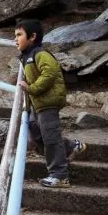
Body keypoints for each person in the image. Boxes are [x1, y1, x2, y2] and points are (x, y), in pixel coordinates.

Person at [15, 19, 86, 188]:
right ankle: (71, 146)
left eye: (19, 35)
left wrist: (31, 88)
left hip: (48, 102)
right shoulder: (27, 57)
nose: (16, 39)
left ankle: (60, 176)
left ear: (32, 37)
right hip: (37, 104)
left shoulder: (40, 54)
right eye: (15, 35)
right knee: (34, 130)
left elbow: (50, 73)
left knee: (50, 138)